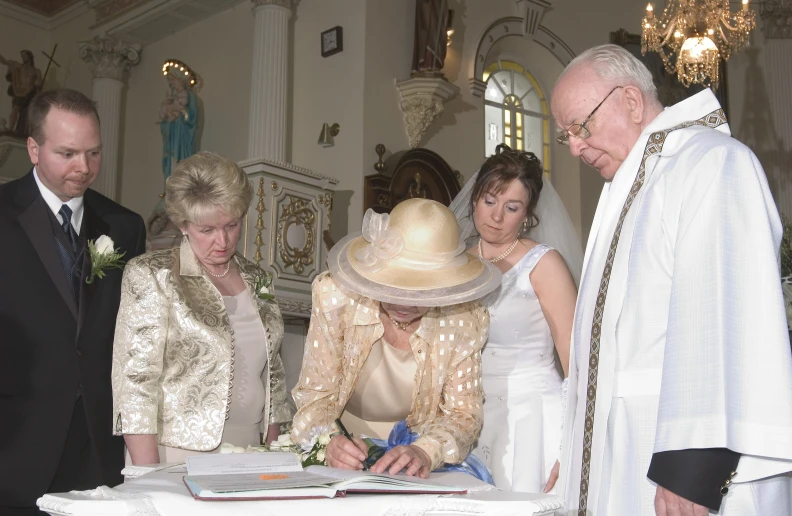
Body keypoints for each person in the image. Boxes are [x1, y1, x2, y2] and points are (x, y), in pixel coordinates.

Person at [553, 44, 792, 516]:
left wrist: (693, 465)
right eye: (566, 137)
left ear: (631, 101)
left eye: (581, 127)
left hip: (683, 468)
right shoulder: (636, 183)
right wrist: (579, 446)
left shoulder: (712, 162)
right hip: (628, 451)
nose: (576, 146)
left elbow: (722, 314)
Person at [0, 88, 147, 515]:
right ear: (33, 148)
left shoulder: (125, 226)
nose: (83, 168)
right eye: (67, 153)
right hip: (14, 442)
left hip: (99, 445)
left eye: (94, 153)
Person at [291, 198, 501, 478]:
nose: (404, 301)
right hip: (344, 456)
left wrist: (425, 451)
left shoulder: (463, 319)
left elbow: (464, 415)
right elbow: (315, 396)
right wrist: (328, 442)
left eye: (422, 290)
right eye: (395, 284)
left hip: (419, 464)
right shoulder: (337, 297)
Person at [112, 151, 293, 465]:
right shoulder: (153, 273)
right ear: (183, 224)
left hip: (250, 448)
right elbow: (136, 382)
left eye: (231, 225)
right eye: (207, 230)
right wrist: (146, 474)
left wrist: (276, 454)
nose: (222, 240)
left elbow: (273, 370)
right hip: (175, 453)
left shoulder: (260, 279)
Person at [450, 145, 580, 494]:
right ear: (474, 198)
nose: (496, 216)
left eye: (512, 208)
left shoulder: (543, 264)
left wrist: (573, 442)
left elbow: (576, 358)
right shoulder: (453, 263)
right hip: (467, 416)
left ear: (527, 214)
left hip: (533, 418)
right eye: (490, 201)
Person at [158, 60, 199, 183]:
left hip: (182, 135)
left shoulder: (189, 96)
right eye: (169, 81)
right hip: (171, 134)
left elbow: (191, 118)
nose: (171, 83)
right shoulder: (170, 99)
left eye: (172, 80)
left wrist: (182, 112)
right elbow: (164, 119)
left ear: (180, 79)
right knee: (170, 161)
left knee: (180, 161)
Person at [0, 50, 43, 136]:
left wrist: (37, 83)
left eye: (24, 55)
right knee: (15, 108)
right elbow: (5, 62)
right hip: (19, 92)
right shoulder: (18, 66)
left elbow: (39, 83)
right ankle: (10, 128)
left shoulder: (36, 71)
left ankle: (23, 131)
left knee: (26, 113)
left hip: (30, 93)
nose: (23, 58)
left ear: (30, 57)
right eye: (22, 56)